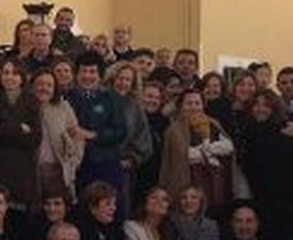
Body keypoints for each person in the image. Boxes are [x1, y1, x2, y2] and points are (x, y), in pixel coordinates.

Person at [239, 92, 293, 240]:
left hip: (287, 204)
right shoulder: (246, 132)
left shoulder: (285, 130)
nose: (260, 109)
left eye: (266, 105)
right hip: (259, 200)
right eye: (257, 104)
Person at [67, 54, 127, 211]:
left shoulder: (111, 99)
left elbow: (120, 131)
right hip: (76, 164)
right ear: (76, 74)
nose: (87, 76)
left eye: (92, 72)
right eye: (83, 71)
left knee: (110, 208)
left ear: (100, 75)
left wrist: (94, 135)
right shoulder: (66, 98)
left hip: (105, 163)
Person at [0, 58, 42, 210]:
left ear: (22, 77)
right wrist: (18, 128)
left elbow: (35, 138)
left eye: (15, 73)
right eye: (6, 73)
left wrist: (3, 127)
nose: (10, 77)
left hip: (22, 171)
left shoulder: (32, 101)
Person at [159, 90, 234, 212]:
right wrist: (212, 151)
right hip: (187, 181)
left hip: (214, 182)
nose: (193, 107)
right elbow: (185, 155)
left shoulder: (213, 123)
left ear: (203, 105)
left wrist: (204, 150)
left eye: (197, 103)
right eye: (189, 103)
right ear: (181, 106)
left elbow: (229, 147)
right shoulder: (174, 130)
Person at [32, 68, 84, 203]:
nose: (44, 88)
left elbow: (77, 136)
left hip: (58, 172)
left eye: (49, 85)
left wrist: (73, 164)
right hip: (30, 172)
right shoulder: (25, 107)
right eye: (40, 84)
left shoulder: (63, 107)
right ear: (32, 86)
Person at [106, 61, 153, 209]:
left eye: (128, 80)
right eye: (120, 78)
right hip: (97, 166)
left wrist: (132, 159)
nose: (123, 83)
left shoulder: (135, 108)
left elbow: (143, 139)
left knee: (119, 209)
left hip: (122, 170)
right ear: (113, 78)